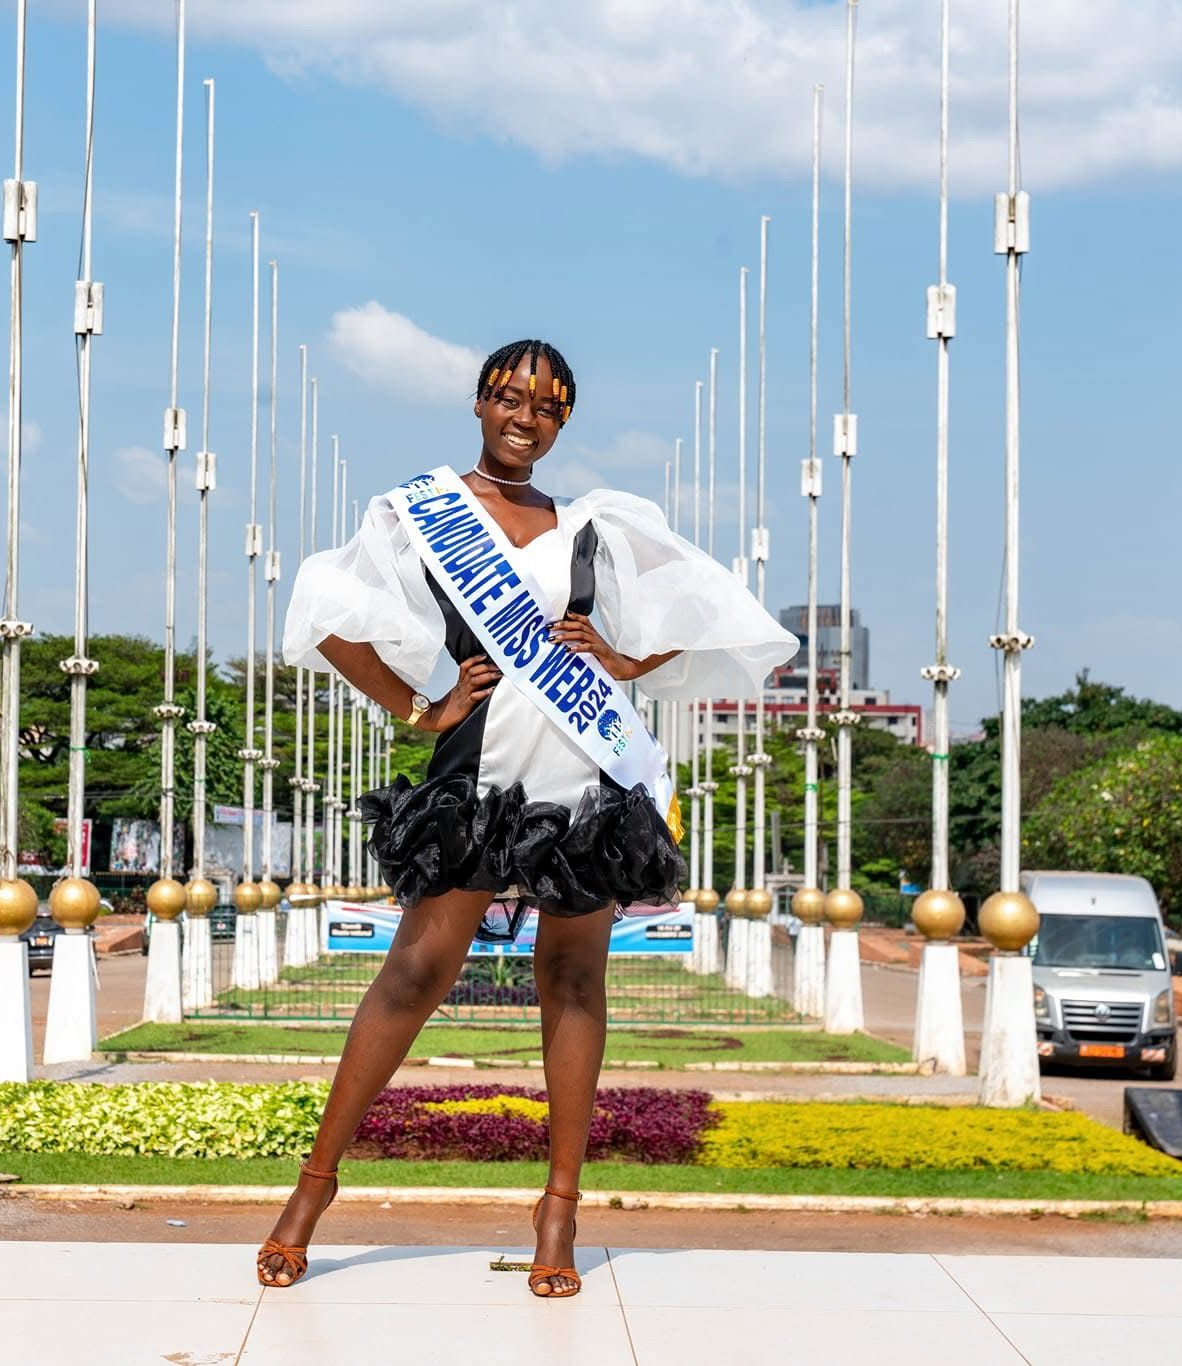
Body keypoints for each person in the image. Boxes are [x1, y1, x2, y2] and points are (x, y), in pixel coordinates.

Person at [259, 340, 793, 1297]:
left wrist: (628, 665)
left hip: (582, 767)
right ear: (478, 403)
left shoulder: (596, 524)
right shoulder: (419, 511)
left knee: (575, 981)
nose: (525, 417)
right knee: (413, 973)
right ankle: (311, 1192)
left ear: (563, 422)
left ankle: (559, 1211)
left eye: (546, 407)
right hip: (480, 764)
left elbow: (713, 609)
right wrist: (418, 706)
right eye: (509, 398)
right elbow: (328, 616)